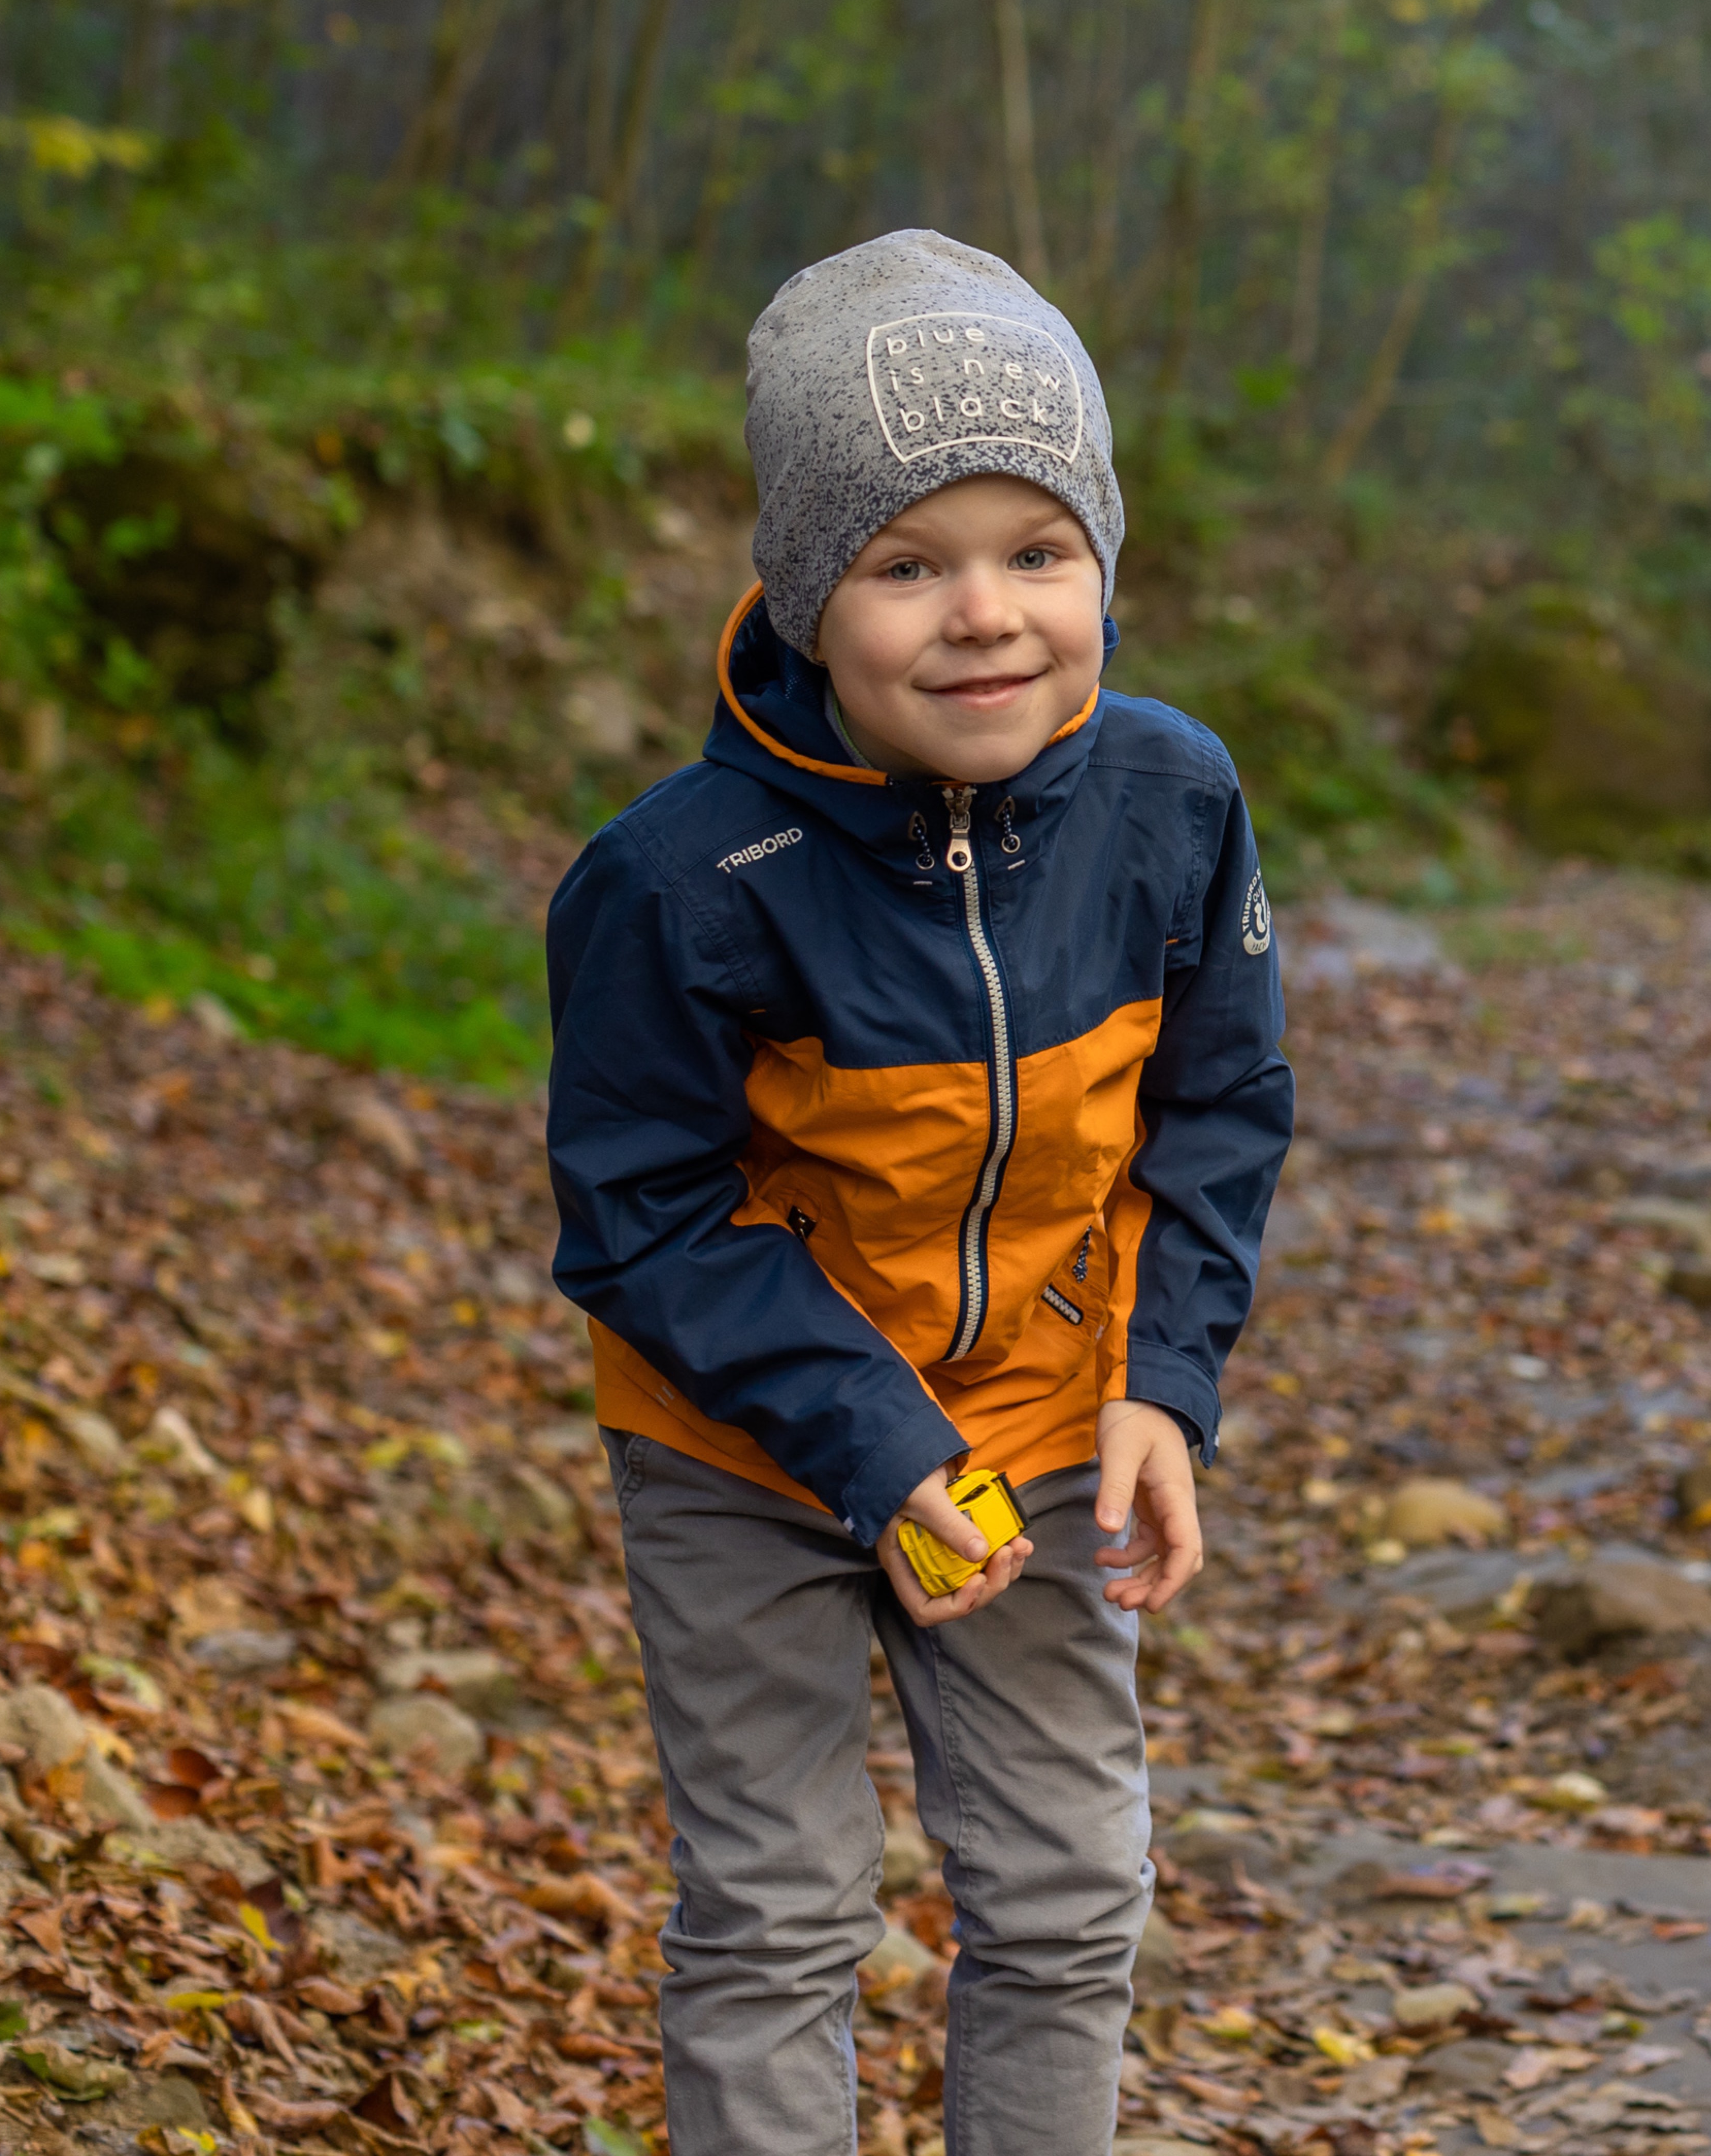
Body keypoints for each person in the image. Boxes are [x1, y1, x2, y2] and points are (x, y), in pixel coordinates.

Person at [545, 228, 1289, 2156]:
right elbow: (634, 1214)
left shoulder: (1173, 805)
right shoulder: (680, 882)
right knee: (783, 1907)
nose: (985, 617)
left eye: (1038, 553)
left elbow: (1224, 1108)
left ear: (1105, 568)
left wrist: (1164, 1386)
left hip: (1044, 1436)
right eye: (906, 564)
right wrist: (877, 1446)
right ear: (804, 598)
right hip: (744, 1456)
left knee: (1062, 1897)